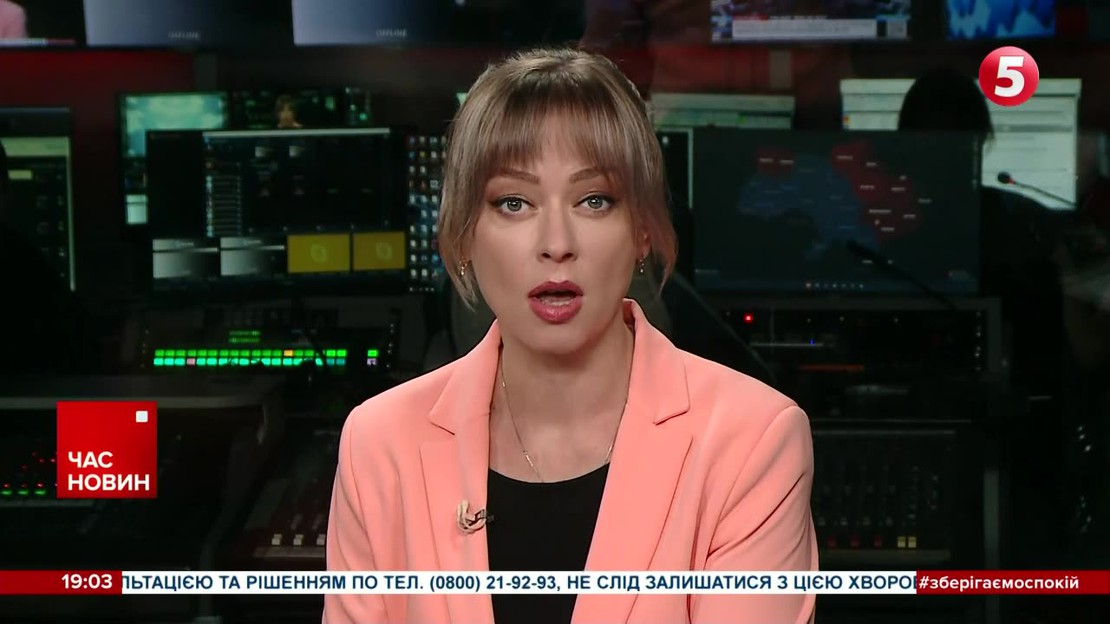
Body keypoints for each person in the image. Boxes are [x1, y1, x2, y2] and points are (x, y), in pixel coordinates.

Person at [324, 47, 818, 624]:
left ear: (641, 230)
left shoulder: (753, 442)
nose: (556, 243)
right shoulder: (379, 444)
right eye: (513, 202)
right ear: (462, 236)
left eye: (594, 200)